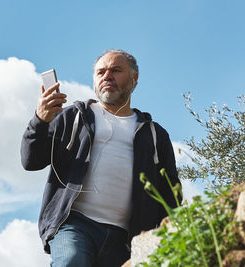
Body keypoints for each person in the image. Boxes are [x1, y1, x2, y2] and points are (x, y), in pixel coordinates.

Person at [21, 49, 182, 267]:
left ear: (134, 79)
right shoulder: (72, 116)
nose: (107, 76)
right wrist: (40, 120)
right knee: (71, 262)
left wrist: (165, 232)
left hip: (128, 238)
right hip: (74, 225)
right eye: (101, 72)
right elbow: (31, 161)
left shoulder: (154, 134)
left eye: (115, 70)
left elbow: (171, 190)